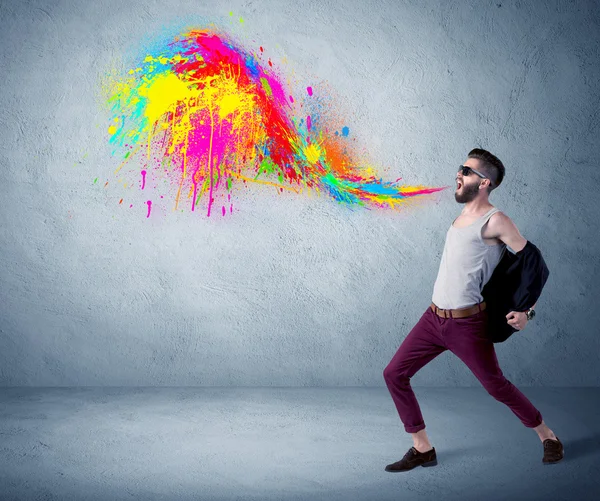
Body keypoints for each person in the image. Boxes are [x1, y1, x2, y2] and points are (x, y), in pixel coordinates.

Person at [382, 148, 563, 472]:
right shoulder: (462, 215)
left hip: (467, 324)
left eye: (466, 170)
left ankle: (547, 435)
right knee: (394, 374)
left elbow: (535, 265)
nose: (459, 174)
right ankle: (422, 448)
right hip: (433, 318)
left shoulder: (496, 220)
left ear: (485, 182)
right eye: (460, 168)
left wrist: (527, 312)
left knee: (496, 386)